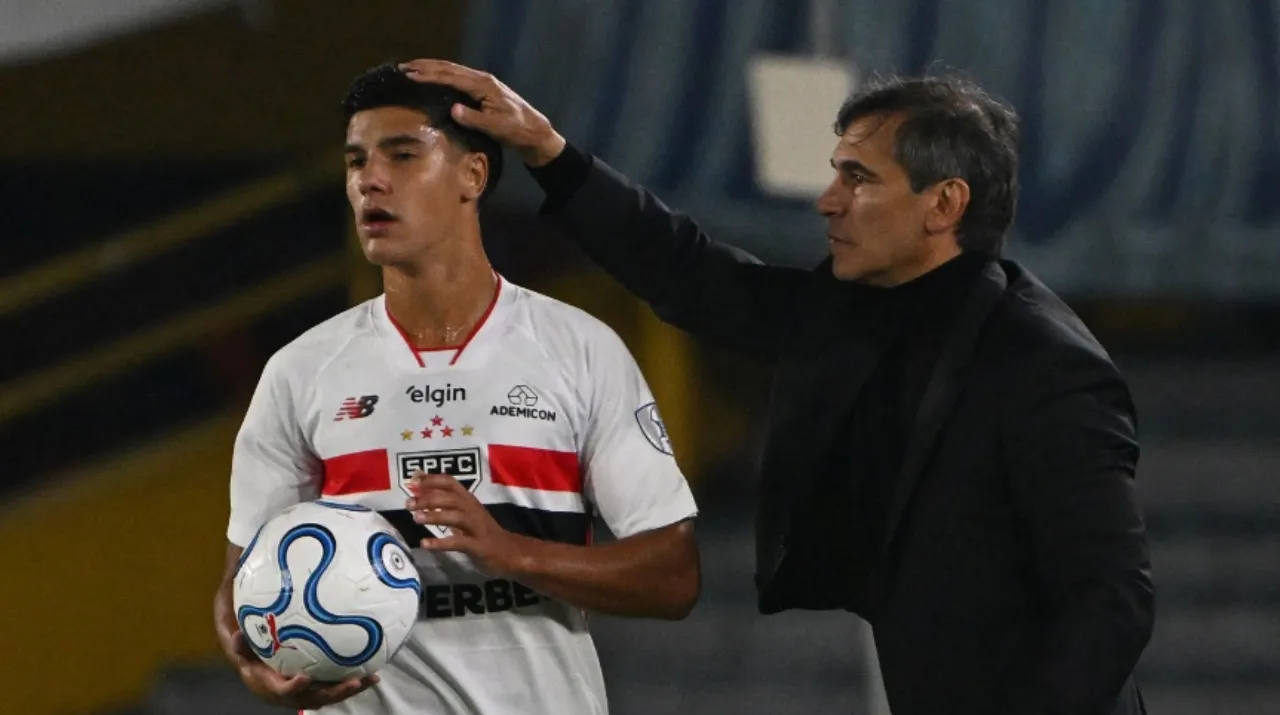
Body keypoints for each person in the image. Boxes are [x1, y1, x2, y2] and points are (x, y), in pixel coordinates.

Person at [398, 59, 1156, 715]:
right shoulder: (857, 313)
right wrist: (550, 153)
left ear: (944, 204)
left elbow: (1111, 601)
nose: (828, 198)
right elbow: (694, 276)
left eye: (857, 177)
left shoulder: (1044, 365)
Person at [211, 62, 701, 715]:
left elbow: (673, 575)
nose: (369, 181)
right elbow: (242, 584)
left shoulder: (580, 351)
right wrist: (254, 662)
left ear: (473, 174)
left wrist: (510, 551)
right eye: (356, 162)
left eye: (403, 154)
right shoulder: (301, 371)